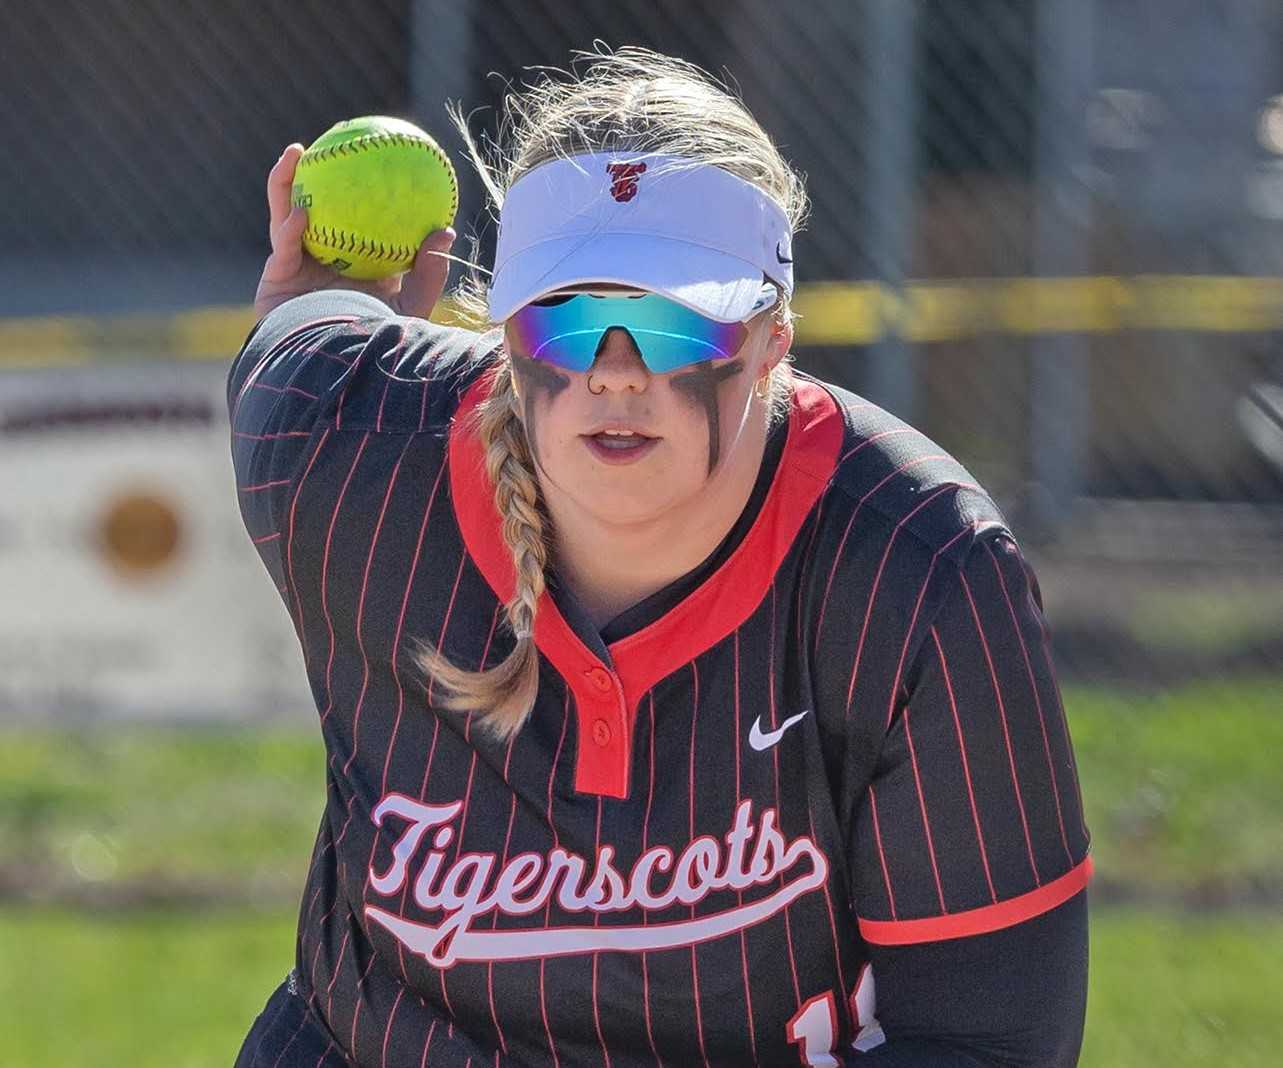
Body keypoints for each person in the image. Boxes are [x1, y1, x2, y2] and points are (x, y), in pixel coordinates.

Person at [231, 47, 1090, 1068]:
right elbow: (306, 318)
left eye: (674, 320)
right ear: (506, 330)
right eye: (571, 315)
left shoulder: (916, 570)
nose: (615, 372)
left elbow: (985, 1042)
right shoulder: (337, 446)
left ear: (772, 338)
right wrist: (330, 276)